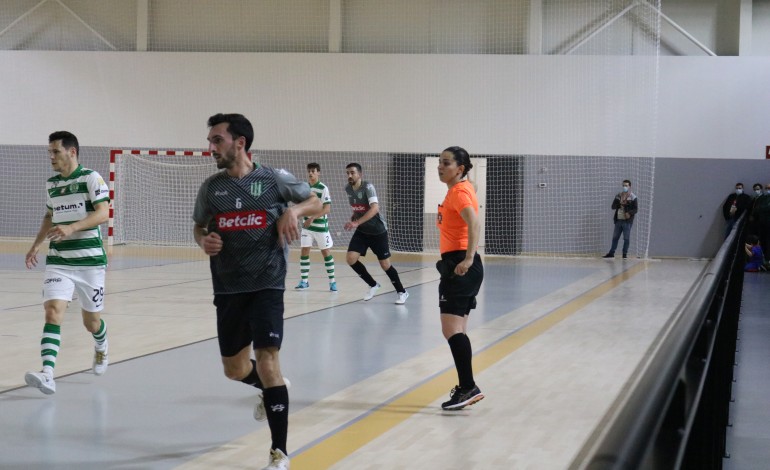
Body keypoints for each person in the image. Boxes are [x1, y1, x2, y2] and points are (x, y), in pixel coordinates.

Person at [193, 113, 322, 470]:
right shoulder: (212, 188)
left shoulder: (273, 179)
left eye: (217, 140)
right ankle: (269, 390)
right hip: (228, 287)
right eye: (210, 140)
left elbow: (316, 202)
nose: (210, 147)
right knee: (234, 370)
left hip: (267, 283)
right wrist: (204, 239)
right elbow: (198, 226)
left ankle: (279, 452)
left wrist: (293, 211)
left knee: (268, 361)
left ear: (240, 143)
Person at [24, 131, 111, 395]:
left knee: (91, 323)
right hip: (59, 261)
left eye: (55, 151)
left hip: (90, 262)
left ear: (71, 152)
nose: (51, 157)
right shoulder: (52, 184)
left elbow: (103, 213)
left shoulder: (91, 178)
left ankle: (101, 346)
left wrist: (72, 228)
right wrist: (36, 244)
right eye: (49, 152)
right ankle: (48, 373)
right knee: (52, 311)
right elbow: (49, 217)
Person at [435, 146, 485, 410]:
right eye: (439, 162)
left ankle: (468, 387)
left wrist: (467, 258)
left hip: (461, 265)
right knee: (459, 330)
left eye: (446, 163)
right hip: (460, 265)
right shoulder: (460, 188)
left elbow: (474, 223)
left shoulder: (459, 192)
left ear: (460, 168)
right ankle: (466, 387)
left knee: (450, 329)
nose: (440, 167)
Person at [343, 163, 408, 304]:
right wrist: (353, 218)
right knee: (350, 259)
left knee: (385, 265)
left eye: (352, 173)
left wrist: (356, 222)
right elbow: (358, 208)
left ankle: (402, 292)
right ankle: (373, 285)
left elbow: (374, 209)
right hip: (362, 231)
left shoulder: (368, 187)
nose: (349, 175)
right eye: (347, 173)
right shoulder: (348, 189)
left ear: (359, 174)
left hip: (378, 232)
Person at [294, 162, 337, 292]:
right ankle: (304, 281)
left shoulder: (323, 188)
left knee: (325, 253)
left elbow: (327, 209)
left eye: (313, 171)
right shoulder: (305, 188)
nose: (311, 173)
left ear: (318, 172)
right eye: (309, 171)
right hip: (307, 227)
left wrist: (312, 218)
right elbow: (302, 206)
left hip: (320, 227)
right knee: (304, 251)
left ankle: (332, 282)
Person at [602, 179, 639, 259]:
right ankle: (611, 253)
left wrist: (629, 213)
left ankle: (624, 254)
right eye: (623, 185)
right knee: (615, 237)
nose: (624, 187)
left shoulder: (633, 197)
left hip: (627, 221)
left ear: (630, 186)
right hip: (618, 220)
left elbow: (636, 209)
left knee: (626, 238)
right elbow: (613, 206)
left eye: (626, 185)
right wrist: (619, 204)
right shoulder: (618, 195)